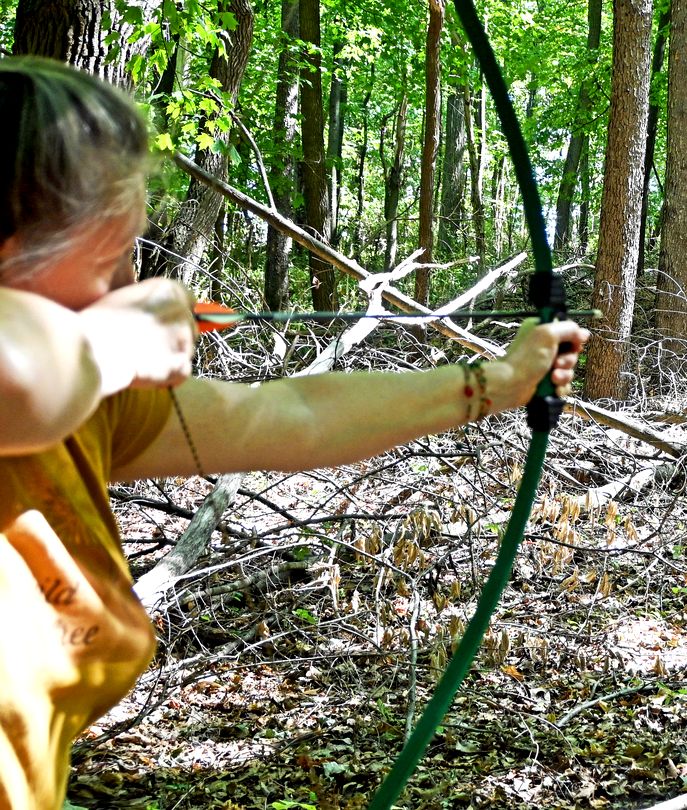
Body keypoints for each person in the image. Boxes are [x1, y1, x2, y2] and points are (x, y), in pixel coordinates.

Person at [0, 56, 589, 809]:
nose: (120, 286)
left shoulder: (81, 403)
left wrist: (492, 385)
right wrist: (117, 340)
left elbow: (288, 416)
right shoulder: (62, 365)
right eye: (108, 261)